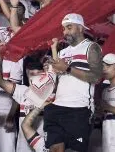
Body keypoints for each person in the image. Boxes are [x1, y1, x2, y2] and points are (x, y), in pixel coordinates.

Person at [43, 13, 103, 152]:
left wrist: (68, 68)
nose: (65, 32)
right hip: (56, 107)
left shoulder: (91, 47)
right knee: (55, 149)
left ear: (81, 28)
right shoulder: (63, 52)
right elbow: (58, 77)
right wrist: (52, 69)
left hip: (78, 109)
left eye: (69, 27)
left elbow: (96, 77)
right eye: (63, 29)